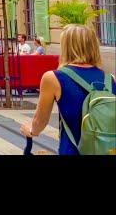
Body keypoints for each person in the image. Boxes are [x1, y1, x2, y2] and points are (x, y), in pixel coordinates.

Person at [20, 24, 116, 155]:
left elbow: (40, 120)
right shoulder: (110, 79)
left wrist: (31, 131)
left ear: (66, 47)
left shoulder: (54, 78)